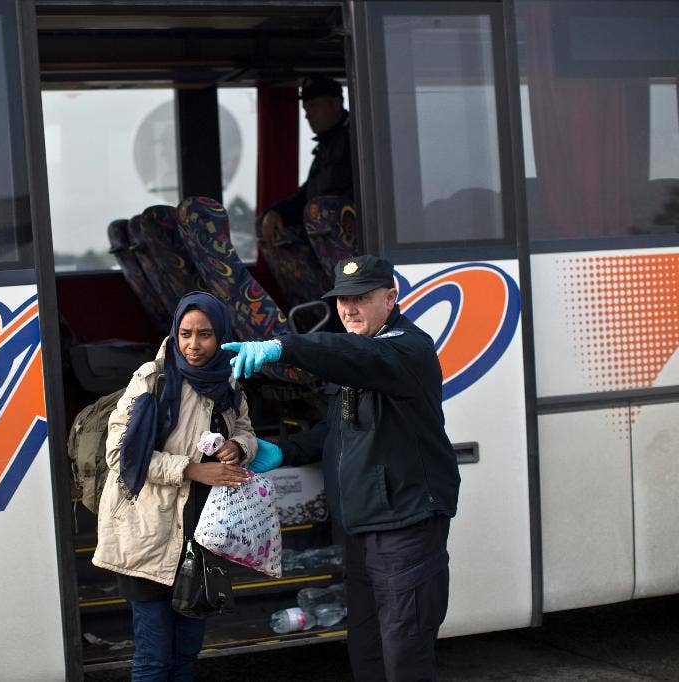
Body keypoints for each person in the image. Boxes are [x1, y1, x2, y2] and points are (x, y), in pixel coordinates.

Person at [222, 254, 461, 682]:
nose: (349, 309)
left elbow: (357, 356)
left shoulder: (407, 348)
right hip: (361, 528)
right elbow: (336, 431)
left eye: (361, 298)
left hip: (403, 527)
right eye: (341, 300)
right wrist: (279, 450)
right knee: (366, 649)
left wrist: (285, 346)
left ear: (390, 298)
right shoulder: (360, 348)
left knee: (404, 652)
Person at [92, 291, 258, 681]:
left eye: (205, 334)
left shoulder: (229, 382)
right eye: (186, 333)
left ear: (221, 337)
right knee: (153, 659)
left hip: (201, 538)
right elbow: (121, 455)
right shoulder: (152, 379)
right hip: (148, 536)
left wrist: (239, 447)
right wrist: (192, 470)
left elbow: (247, 430)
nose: (193, 345)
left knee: (186, 654)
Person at [260, 76, 354, 243]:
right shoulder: (327, 146)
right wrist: (277, 212)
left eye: (312, 106)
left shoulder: (355, 141)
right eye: (305, 109)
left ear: (335, 104)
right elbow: (307, 196)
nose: (307, 116)